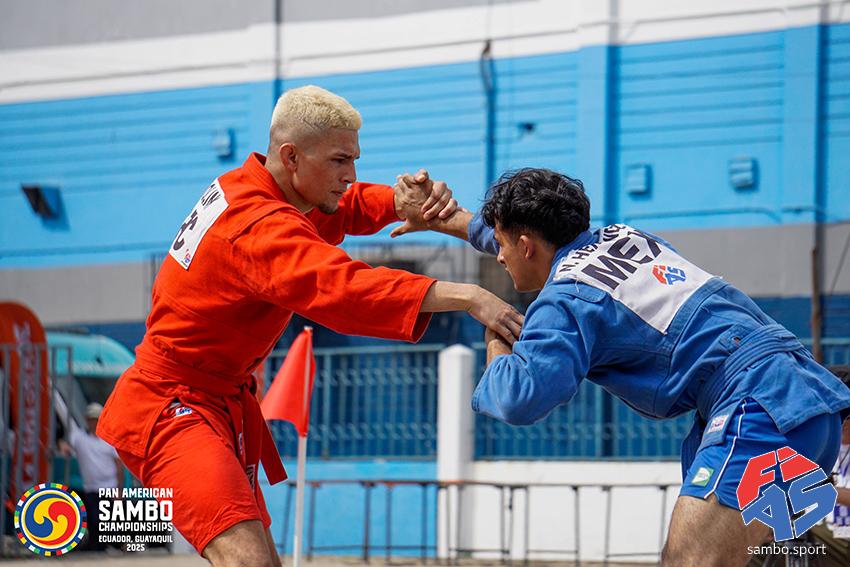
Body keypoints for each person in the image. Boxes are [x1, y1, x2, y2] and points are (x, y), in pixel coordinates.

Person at [97, 86, 523, 567]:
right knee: (249, 562)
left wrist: (398, 202)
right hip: (171, 407)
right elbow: (342, 289)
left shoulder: (252, 188)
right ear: (291, 156)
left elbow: (340, 208)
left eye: (354, 160)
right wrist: (469, 296)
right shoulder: (256, 227)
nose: (351, 175)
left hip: (213, 401)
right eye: (340, 161)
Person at [396, 167, 850, 567]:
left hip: (757, 407)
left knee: (688, 560)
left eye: (501, 245)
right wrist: (439, 219)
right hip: (805, 400)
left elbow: (518, 398)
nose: (497, 255)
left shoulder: (565, 300)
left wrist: (495, 335)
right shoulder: (623, 237)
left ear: (526, 245)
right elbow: (509, 236)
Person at [58, 402, 124, 551]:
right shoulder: (78, 436)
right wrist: (62, 446)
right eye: (91, 419)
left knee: (108, 520)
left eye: (96, 419)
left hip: (109, 486)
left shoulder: (110, 439)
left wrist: (119, 489)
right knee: (94, 520)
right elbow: (65, 445)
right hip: (90, 487)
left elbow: (118, 465)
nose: (93, 422)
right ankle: (99, 548)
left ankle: (116, 545)